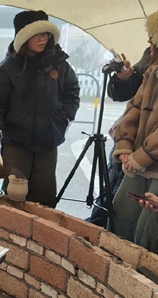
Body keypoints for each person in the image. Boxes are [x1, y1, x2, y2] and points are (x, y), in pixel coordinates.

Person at [0, 10, 80, 208]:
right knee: (15, 195)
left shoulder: (60, 65)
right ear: (24, 36)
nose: (42, 38)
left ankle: (43, 236)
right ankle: (10, 233)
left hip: (48, 142)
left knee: (44, 196)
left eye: (46, 34)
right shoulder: (7, 68)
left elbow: (72, 92)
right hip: (16, 143)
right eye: (37, 34)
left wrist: (65, 117)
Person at [87, 47, 152, 227]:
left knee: (137, 205)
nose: (149, 41)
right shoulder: (150, 54)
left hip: (147, 148)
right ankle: (99, 226)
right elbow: (125, 95)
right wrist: (123, 79)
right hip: (129, 138)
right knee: (112, 185)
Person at [110, 10, 158, 248]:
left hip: (150, 164)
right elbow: (135, 107)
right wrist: (125, 146)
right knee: (118, 222)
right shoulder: (151, 69)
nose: (149, 44)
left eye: (153, 38)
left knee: (147, 238)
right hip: (138, 164)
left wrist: (139, 157)